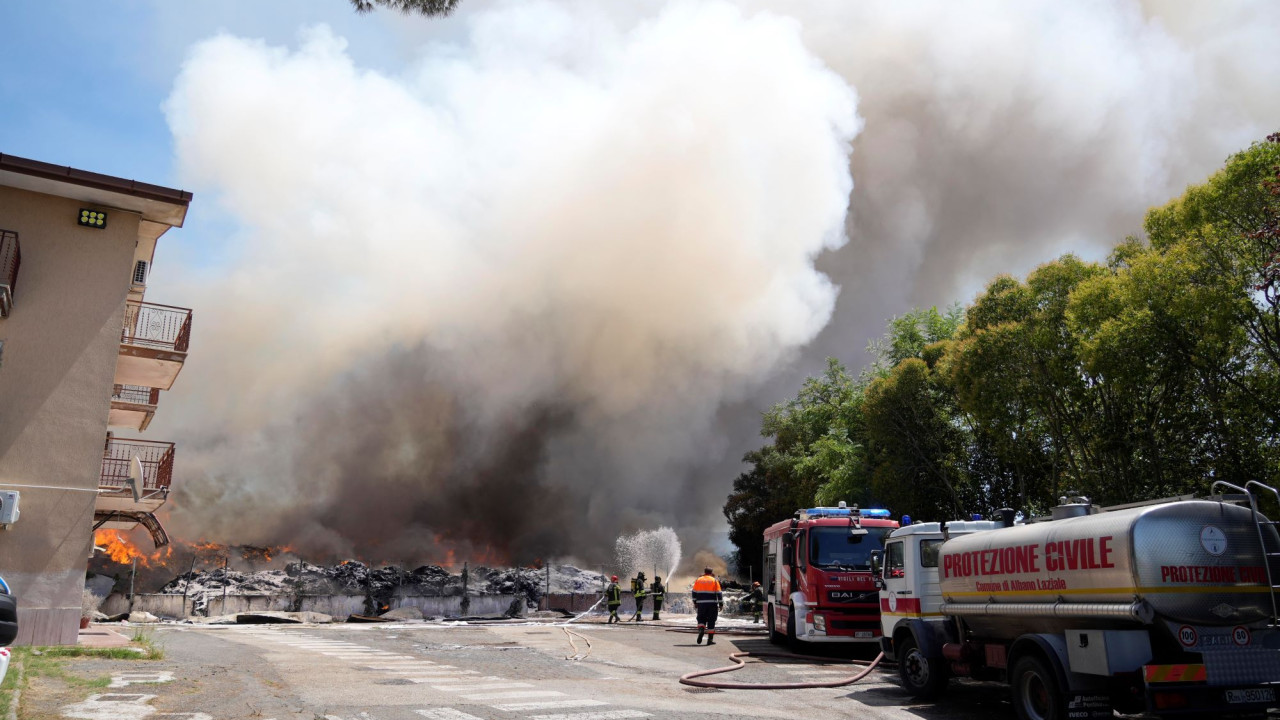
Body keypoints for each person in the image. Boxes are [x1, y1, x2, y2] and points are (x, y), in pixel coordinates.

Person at [691, 567, 723, 645]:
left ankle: (701, 629)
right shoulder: (714, 580)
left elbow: (694, 592)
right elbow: (719, 593)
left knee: (701, 618)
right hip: (712, 604)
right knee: (711, 620)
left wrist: (695, 602)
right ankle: (710, 640)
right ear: (711, 572)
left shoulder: (698, 580)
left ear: (704, 572)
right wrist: (721, 604)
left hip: (701, 604)